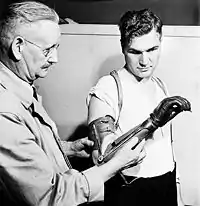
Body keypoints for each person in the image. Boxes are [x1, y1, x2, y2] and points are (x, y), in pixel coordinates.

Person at [0, 1, 146, 206]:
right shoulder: (5, 112)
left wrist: (67, 148)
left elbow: (27, 147)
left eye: (56, 47)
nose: (55, 58)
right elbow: (47, 197)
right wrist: (114, 165)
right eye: (47, 50)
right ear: (18, 47)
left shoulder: (21, 87)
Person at [87, 9, 184, 206]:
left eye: (152, 50)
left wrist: (177, 190)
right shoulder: (108, 87)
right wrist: (151, 123)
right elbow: (103, 156)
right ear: (123, 48)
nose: (144, 61)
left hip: (166, 183)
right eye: (135, 52)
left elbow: (165, 146)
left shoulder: (160, 85)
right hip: (131, 189)